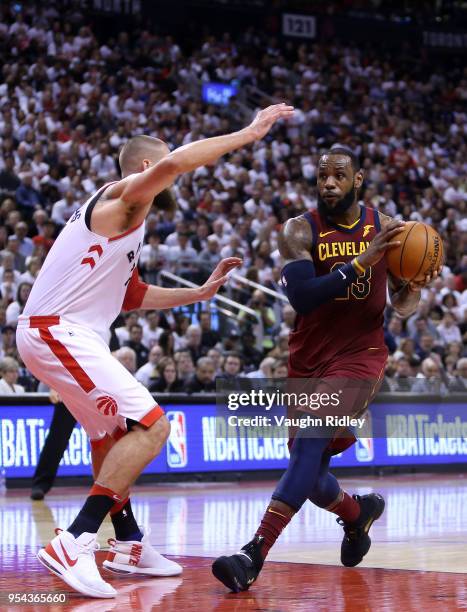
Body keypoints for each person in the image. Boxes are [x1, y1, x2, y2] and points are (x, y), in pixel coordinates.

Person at [16, 103, 293, 599]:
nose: (174, 178)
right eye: (166, 167)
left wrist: (199, 294)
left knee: (113, 433)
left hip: (60, 333)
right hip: (57, 330)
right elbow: (175, 164)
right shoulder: (125, 197)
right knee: (153, 424)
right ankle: (75, 540)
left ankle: (128, 543)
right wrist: (249, 134)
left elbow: (130, 295)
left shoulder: (126, 223)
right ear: (147, 169)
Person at [212, 145, 439, 592]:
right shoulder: (299, 231)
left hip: (360, 354)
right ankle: (358, 514)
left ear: (358, 180)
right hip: (308, 358)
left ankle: (252, 553)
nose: (329, 183)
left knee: (312, 439)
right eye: (322, 176)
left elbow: (404, 303)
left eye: (339, 175)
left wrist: (413, 282)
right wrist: (361, 262)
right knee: (311, 472)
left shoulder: (387, 228)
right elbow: (303, 297)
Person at [31, 389, 77, 501]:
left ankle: (111, 484)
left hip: (97, 385)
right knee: (58, 437)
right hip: (69, 387)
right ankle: (41, 483)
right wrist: (55, 385)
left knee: (107, 435)